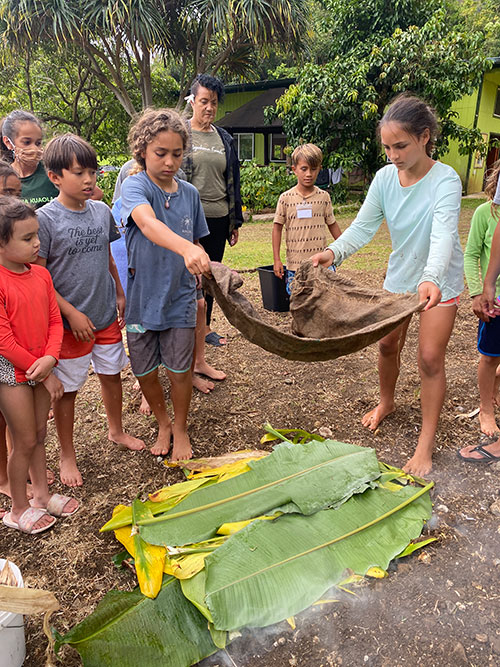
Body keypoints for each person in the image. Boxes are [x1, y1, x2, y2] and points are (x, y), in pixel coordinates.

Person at [312, 94, 463, 476]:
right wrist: (332, 253)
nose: (393, 154)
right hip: (400, 276)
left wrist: (431, 278)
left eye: (401, 145)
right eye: (387, 147)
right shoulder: (383, 179)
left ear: (424, 137)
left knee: (429, 358)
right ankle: (387, 401)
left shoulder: (445, 180)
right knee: (387, 343)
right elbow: (363, 227)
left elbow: (444, 233)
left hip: (439, 279)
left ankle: (425, 445)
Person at [36, 133, 144, 488]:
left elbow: (108, 255)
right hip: (68, 326)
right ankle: (67, 453)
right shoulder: (45, 219)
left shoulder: (102, 212)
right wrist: (69, 313)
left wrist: (118, 292)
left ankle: (116, 430)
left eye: (93, 173)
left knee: (112, 374)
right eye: (79, 173)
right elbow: (38, 277)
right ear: (55, 177)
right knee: (68, 390)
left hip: (104, 315)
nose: (88, 180)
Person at [121, 108, 211, 461]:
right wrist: (186, 247)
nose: (170, 161)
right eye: (161, 153)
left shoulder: (189, 193)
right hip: (142, 300)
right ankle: (163, 422)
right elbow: (147, 224)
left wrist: (206, 263)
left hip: (180, 298)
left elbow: (196, 241)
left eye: (177, 154)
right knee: (144, 371)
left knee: (179, 369)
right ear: (143, 151)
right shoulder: (135, 186)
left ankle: (182, 427)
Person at [0, 196, 78, 534]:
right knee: (24, 440)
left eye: (37, 236)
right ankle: (18, 508)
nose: (37, 244)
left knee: (40, 434)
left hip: (42, 366)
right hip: (12, 374)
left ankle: (42, 498)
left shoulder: (42, 276)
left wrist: (50, 358)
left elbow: (54, 321)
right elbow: (3, 341)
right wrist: (44, 370)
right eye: (27, 238)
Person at [184, 73, 243, 350]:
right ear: (193, 101)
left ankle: (205, 326)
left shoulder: (225, 139)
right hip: (187, 220)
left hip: (218, 218)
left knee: (210, 277)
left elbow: (233, 180)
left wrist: (234, 222)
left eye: (214, 103)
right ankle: (183, 329)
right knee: (186, 275)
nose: (209, 107)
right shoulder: (180, 135)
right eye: (204, 101)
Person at [459, 175, 500, 463]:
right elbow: (472, 253)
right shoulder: (486, 214)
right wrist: (478, 292)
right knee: (489, 357)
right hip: (496, 303)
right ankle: (486, 408)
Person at [272, 143, 341, 294]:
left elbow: (332, 224)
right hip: (295, 266)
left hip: (321, 266)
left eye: (313, 169)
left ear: (319, 169)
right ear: (294, 170)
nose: (309, 174)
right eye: (304, 169)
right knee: (299, 303)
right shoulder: (285, 198)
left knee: (325, 301)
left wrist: (343, 248)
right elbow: (277, 228)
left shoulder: (324, 197)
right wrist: (277, 259)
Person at [0, 110, 59, 209]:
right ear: (8, 143)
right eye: (27, 142)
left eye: (38, 143)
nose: (34, 149)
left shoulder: (53, 172)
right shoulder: (4, 177)